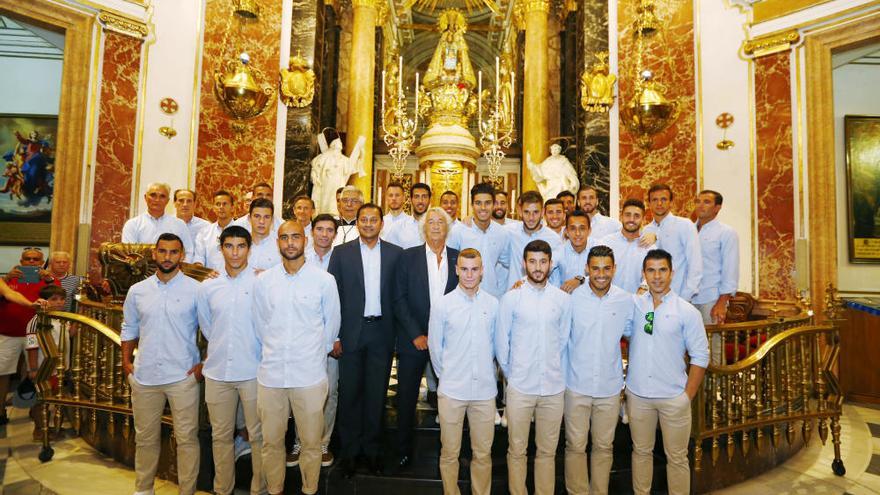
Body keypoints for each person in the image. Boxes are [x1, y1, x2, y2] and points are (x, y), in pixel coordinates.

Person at [253, 220, 340, 495]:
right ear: (277, 242)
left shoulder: (324, 281)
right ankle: (275, 489)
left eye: (295, 237)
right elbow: (259, 326)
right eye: (284, 238)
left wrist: (312, 353)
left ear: (306, 240)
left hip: (309, 375)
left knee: (312, 443)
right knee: (271, 442)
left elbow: (331, 326)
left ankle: (310, 489)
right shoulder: (264, 281)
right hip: (272, 375)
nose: (290, 243)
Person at [121, 233, 202, 495]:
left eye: (174, 252)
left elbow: (213, 330)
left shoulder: (195, 290)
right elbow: (129, 327)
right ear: (154, 254)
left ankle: (186, 491)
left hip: (182, 376)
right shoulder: (138, 290)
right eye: (163, 252)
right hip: (145, 376)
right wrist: (125, 361)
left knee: (187, 439)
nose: (168, 257)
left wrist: (203, 366)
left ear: (182, 256)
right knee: (145, 438)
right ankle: (144, 490)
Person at [328, 203, 403, 477]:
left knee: (376, 395)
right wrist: (334, 335)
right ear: (357, 223)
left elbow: (399, 297)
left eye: (374, 219)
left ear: (381, 224)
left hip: (382, 332)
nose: (369, 224)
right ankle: (349, 454)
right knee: (349, 395)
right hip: (349, 333)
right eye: (364, 220)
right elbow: (332, 298)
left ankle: (372, 452)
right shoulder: (341, 253)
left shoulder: (396, 255)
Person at [626, 249, 709, 495]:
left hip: (674, 397)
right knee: (641, 453)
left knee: (677, 458)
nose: (657, 276)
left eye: (662, 270)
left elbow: (701, 356)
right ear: (644, 274)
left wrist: (687, 397)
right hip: (638, 395)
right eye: (651, 270)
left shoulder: (687, 311)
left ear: (671, 273)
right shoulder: (634, 305)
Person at [496, 240, 572, 495]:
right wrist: (513, 375)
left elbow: (562, 340)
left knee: (547, 451)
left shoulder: (562, 300)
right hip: (520, 386)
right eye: (532, 261)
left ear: (550, 264)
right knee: (517, 449)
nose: (538, 267)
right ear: (524, 263)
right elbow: (501, 344)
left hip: (552, 387)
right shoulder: (511, 298)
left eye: (542, 262)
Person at [196, 225, 265, 495]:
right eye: (229, 246)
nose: (235, 252)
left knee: (259, 437)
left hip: (253, 371)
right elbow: (207, 327)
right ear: (221, 248)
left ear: (249, 248)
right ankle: (222, 489)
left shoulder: (262, 281)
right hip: (218, 372)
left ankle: (259, 490)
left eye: (241, 246)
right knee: (220, 437)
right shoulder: (208, 287)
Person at [564, 245, 635, 495]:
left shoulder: (626, 300)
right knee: (575, 446)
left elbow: (635, 335)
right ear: (587, 269)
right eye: (595, 268)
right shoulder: (571, 298)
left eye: (606, 268)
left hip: (609, 385)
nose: (601, 274)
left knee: (604, 447)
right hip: (576, 384)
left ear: (614, 269)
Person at [393, 207, 459, 469]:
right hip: (415, 340)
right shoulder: (408, 258)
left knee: (453, 399)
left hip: (450, 342)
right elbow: (399, 299)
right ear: (423, 228)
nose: (434, 225)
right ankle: (403, 450)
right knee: (407, 398)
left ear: (447, 227)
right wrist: (416, 334)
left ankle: (452, 453)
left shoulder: (457, 258)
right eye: (430, 221)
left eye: (440, 222)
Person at [429, 248, 498, 495]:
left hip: (484, 392)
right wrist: (446, 378)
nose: (469, 275)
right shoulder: (443, 305)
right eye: (465, 269)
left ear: (482, 271)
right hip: (452, 391)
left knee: (483, 453)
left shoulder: (493, 304)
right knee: (450, 452)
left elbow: (496, 347)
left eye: (475, 269)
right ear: (457, 270)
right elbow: (435, 349)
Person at [288, 212, 340, 468]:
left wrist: (336, 338)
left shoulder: (341, 258)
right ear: (311, 232)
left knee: (329, 392)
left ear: (335, 234)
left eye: (330, 230)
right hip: (300, 339)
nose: (324, 234)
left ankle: (322, 444)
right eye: (320, 229)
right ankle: (300, 443)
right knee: (302, 392)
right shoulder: (299, 257)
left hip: (330, 339)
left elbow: (342, 303)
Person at [0, 247, 57, 425]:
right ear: (21, 261)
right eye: (28, 259)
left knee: (37, 373)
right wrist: (8, 279)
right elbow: (10, 294)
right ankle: (0, 410)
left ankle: (36, 410)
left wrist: (50, 280)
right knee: (2, 372)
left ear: (42, 262)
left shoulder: (48, 281)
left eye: (35, 260)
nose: (31, 262)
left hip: (36, 334)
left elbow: (57, 300)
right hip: (8, 332)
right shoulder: (7, 279)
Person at [447, 183, 511, 298]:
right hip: (463, 297)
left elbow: (511, 263)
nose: (483, 208)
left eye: (487, 203)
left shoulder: (502, 233)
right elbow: (449, 265)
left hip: (492, 297)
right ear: (472, 205)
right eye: (478, 203)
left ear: (493, 204)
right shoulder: (458, 232)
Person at [643, 184, 702, 301]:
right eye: (655, 200)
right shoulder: (646, 230)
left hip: (679, 296)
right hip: (652, 300)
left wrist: (685, 297)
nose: (659, 203)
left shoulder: (685, 225)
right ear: (649, 204)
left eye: (663, 199)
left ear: (671, 203)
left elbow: (695, 264)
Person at [24, 284, 67, 440]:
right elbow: (31, 345)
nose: (59, 302)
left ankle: (51, 428)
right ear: (43, 300)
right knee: (41, 400)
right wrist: (33, 368)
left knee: (53, 399)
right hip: (43, 367)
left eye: (62, 299)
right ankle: (39, 429)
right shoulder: (37, 320)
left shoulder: (62, 319)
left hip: (58, 368)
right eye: (54, 299)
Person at [693, 190, 739, 325]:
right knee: (686, 344)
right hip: (687, 297)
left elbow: (731, 269)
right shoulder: (687, 230)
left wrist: (722, 302)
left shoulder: (726, 232)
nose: (700, 205)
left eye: (706, 202)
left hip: (711, 298)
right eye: (698, 201)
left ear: (717, 208)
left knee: (712, 344)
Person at [505, 191, 564, 290]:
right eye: (526, 212)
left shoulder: (554, 239)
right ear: (520, 211)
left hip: (541, 296)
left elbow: (545, 268)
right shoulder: (509, 232)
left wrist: (525, 282)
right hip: (514, 293)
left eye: (535, 212)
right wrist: (470, 219)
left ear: (542, 212)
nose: (531, 218)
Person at [121, 182, 194, 260]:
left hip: (173, 271)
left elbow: (188, 252)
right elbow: (128, 254)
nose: (157, 200)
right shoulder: (132, 224)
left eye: (162, 196)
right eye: (153, 195)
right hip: (141, 270)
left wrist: (178, 270)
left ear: (168, 200)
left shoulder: (179, 224)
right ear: (145, 197)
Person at [598, 199, 655, 293]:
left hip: (638, 302)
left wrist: (644, 286)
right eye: (628, 215)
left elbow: (655, 276)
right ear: (621, 216)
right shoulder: (606, 243)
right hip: (609, 302)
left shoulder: (650, 248)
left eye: (636, 216)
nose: (631, 219)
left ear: (643, 219)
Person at [194, 190, 237, 270]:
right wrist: (200, 268)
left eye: (224, 204)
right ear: (213, 208)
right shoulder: (205, 232)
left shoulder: (241, 231)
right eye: (218, 204)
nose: (221, 207)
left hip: (235, 278)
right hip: (210, 278)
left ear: (232, 208)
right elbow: (199, 257)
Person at [553, 210, 594, 293]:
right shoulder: (558, 251)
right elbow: (543, 268)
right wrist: (524, 282)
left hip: (592, 301)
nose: (577, 233)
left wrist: (580, 280)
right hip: (566, 301)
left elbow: (603, 275)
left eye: (582, 228)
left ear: (589, 231)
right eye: (573, 228)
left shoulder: (597, 249)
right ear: (566, 232)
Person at [384, 182, 432, 249]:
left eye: (424, 196)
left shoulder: (438, 226)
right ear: (411, 200)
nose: (420, 201)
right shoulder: (398, 227)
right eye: (416, 197)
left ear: (430, 200)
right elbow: (390, 253)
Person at [246, 198, 281, 271]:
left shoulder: (280, 245)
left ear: (272, 220)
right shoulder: (239, 243)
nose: (262, 221)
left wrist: (267, 276)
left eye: (267, 217)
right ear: (249, 218)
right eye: (257, 216)